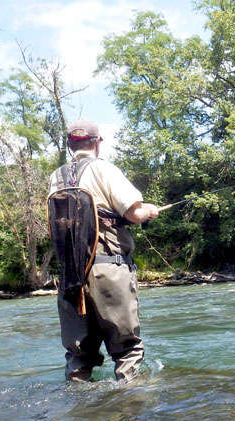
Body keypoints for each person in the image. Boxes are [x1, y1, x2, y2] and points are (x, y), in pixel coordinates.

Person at [48, 120, 159, 382]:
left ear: (69, 145)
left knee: (78, 357)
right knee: (127, 351)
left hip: (70, 277)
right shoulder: (103, 169)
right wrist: (150, 212)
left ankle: (82, 415)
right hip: (108, 269)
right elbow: (133, 213)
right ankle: (130, 411)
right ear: (97, 143)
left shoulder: (56, 177)